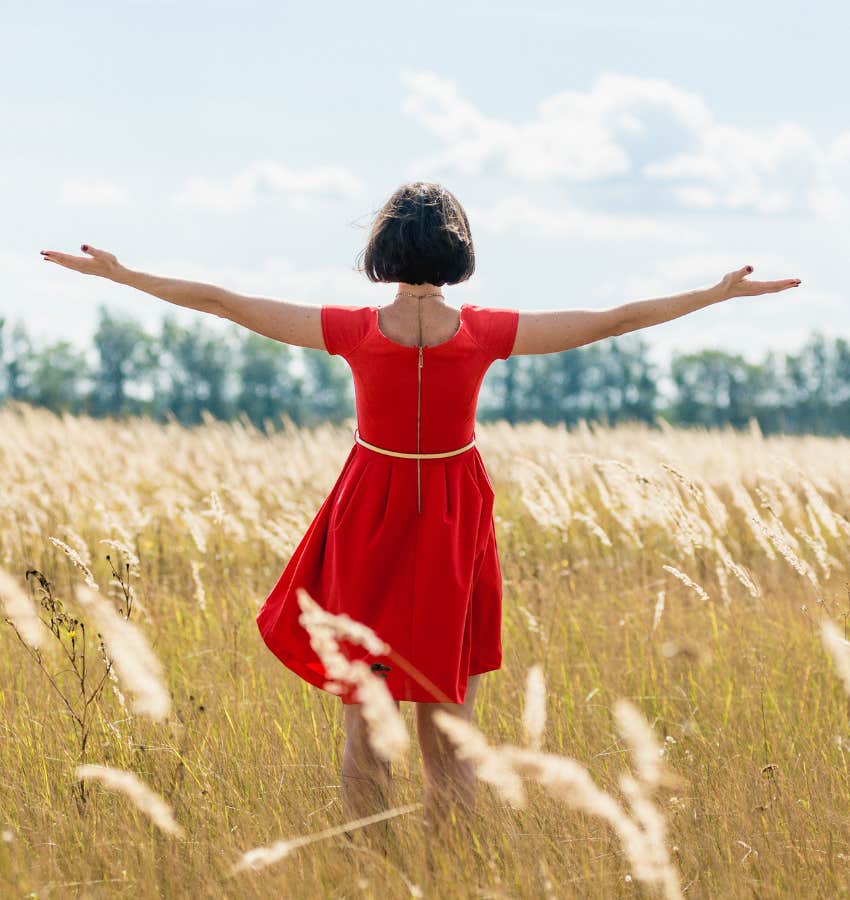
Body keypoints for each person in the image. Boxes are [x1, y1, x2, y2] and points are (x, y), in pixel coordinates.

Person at [40, 181, 801, 831]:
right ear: (457, 252)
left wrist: (123, 276)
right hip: (449, 518)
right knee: (450, 724)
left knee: (366, 721)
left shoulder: (353, 330)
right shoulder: (482, 333)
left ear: (382, 250)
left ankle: (374, 868)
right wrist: (713, 295)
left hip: (368, 510)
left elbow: (221, 302)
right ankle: (450, 873)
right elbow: (615, 320)